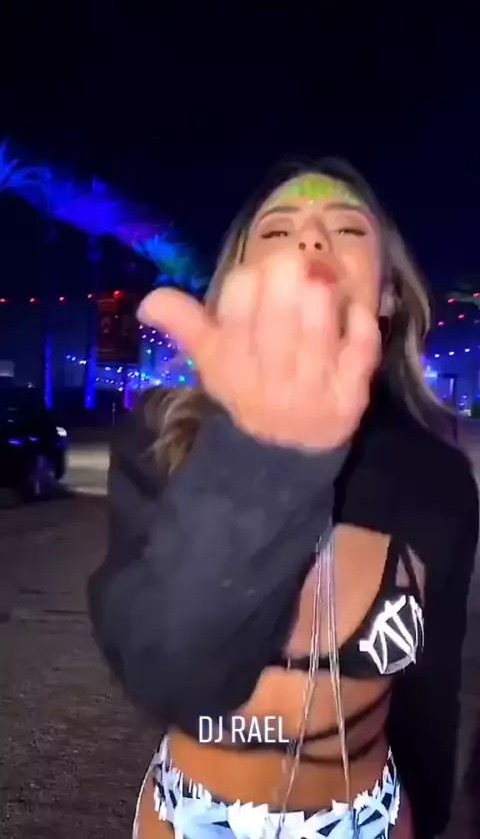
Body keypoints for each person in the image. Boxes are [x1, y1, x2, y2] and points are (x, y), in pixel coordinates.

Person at [88, 161, 479, 839]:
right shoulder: (162, 438)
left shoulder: (436, 479)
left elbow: (429, 696)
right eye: (277, 230)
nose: (311, 239)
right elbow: (164, 672)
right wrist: (264, 459)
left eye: (347, 228)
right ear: (235, 288)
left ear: (388, 293)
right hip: (190, 816)